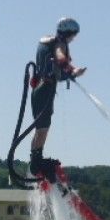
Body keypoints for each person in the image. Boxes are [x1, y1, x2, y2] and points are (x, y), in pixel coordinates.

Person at [29, 17, 87, 180]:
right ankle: (36, 163)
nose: (73, 38)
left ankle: (35, 159)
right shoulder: (59, 44)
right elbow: (60, 58)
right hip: (45, 90)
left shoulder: (46, 41)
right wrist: (74, 71)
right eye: (73, 35)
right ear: (68, 33)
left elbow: (55, 66)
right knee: (43, 128)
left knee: (40, 128)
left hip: (39, 89)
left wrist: (67, 72)